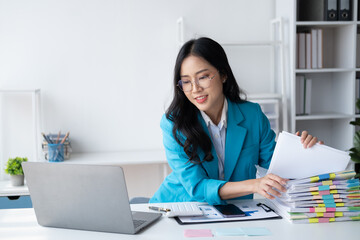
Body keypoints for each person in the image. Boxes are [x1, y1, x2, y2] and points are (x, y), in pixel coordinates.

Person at [150, 37, 321, 205]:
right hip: (178, 208)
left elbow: (279, 170)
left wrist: (307, 153)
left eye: (203, 77)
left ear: (223, 74)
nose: (195, 89)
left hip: (236, 212)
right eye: (186, 81)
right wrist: (254, 185)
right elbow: (198, 187)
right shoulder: (174, 123)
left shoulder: (252, 115)